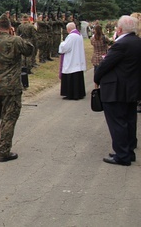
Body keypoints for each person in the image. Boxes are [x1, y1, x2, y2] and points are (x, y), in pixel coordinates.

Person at [0, 13, 34, 162]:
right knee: (9, 118)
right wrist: (16, 36)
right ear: (10, 28)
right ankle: (3, 151)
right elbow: (29, 50)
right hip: (11, 87)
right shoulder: (16, 41)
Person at [95, 15, 141, 166]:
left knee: (117, 123)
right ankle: (128, 151)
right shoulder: (137, 42)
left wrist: (97, 77)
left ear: (120, 29)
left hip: (116, 89)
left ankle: (122, 155)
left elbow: (105, 65)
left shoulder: (121, 45)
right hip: (132, 88)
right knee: (129, 121)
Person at [58, 22, 86, 100]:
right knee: (77, 77)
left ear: (69, 29)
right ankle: (79, 93)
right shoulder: (79, 35)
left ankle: (71, 94)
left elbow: (65, 47)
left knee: (71, 76)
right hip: (77, 59)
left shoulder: (71, 36)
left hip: (72, 60)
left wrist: (62, 43)